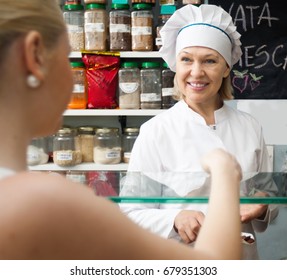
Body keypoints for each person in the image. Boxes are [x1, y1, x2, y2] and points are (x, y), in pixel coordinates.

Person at [0, 0, 243, 260]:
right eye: (65, 56)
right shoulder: (42, 200)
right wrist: (223, 169)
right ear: (34, 56)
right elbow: (216, 267)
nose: (77, 78)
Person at [119, 4, 278, 260]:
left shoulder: (250, 126)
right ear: (175, 65)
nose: (196, 72)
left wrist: (261, 205)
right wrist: (174, 219)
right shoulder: (155, 132)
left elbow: (267, 191)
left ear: (226, 68)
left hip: (241, 260)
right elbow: (130, 214)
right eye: (186, 59)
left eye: (210, 61)